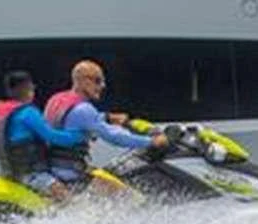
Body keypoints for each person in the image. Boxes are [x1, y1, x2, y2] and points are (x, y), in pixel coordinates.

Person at [42, 59, 167, 187]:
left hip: (53, 169)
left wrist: (108, 117)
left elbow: (73, 121)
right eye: (98, 81)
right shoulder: (84, 110)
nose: (102, 86)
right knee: (128, 196)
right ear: (83, 81)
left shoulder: (57, 99)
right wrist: (151, 141)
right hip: (71, 175)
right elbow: (114, 137)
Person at [0, 69, 85, 202]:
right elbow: (52, 136)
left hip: (13, 173)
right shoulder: (27, 113)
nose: (33, 91)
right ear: (22, 88)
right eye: (30, 88)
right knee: (68, 200)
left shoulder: (3, 110)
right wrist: (78, 136)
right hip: (34, 174)